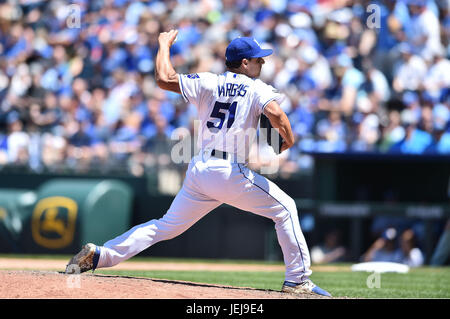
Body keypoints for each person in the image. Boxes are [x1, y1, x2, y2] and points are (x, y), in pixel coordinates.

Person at [65, 30, 331, 297]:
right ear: (244, 63)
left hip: (200, 169)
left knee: (165, 226)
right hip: (229, 172)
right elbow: (275, 113)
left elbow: (164, 78)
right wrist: (289, 139)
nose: (263, 63)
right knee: (286, 209)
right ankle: (297, 280)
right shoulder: (256, 87)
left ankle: (101, 255)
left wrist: (163, 45)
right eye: (258, 60)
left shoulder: (208, 81)